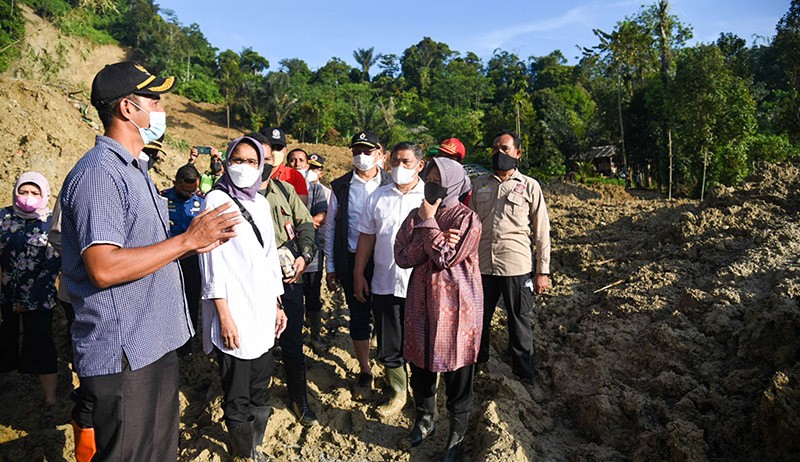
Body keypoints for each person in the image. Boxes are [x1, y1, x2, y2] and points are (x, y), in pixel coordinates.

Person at [60, 61, 242, 461]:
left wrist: (193, 244)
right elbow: (104, 267)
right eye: (154, 100)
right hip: (124, 351)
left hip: (153, 342)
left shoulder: (135, 171)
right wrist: (186, 240)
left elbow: (144, 251)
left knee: (159, 452)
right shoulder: (100, 174)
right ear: (128, 108)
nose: (161, 109)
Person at [199, 136, 288, 458]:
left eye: (251, 161)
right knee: (237, 391)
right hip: (234, 310)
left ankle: (256, 442)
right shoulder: (215, 201)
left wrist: (277, 304)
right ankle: (244, 452)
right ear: (226, 162)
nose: (244, 167)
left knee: (260, 386)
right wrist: (224, 317)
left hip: (262, 310)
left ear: (261, 165)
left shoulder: (261, 204)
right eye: (237, 159)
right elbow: (211, 265)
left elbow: (269, 258)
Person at [394, 157, 483, 461]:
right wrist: (434, 236)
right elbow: (402, 256)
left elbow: (446, 258)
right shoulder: (414, 215)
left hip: (457, 310)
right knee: (420, 368)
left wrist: (429, 225)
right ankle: (424, 421)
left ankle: (456, 438)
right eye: (429, 179)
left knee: (457, 374)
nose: (431, 185)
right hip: (420, 305)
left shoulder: (467, 219)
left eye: (438, 180)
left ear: (454, 183)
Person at [469, 130, 551, 387]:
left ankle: (525, 375)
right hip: (482, 266)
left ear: (518, 153)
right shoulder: (478, 184)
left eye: (505, 148)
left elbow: (541, 231)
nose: (499, 153)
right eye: (495, 148)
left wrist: (542, 271)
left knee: (519, 321)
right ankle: (476, 367)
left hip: (516, 266)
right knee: (478, 320)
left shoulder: (529, 186)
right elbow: (470, 226)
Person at [249, 132, 320, 426]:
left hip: (288, 279)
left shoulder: (285, 190)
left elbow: (305, 223)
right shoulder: (231, 194)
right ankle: (254, 403)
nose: (267, 162)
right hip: (252, 283)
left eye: (272, 155)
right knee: (257, 345)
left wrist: (304, 255)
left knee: (292, 342)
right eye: (260, 158)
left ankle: (299, 398)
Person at [353, 142, 425, 417]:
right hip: (385, 282)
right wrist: (359, 273)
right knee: (389, 345)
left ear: (420, 165)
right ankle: (398, 393)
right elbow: (366, 237)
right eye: (395, 161)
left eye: (406, 162)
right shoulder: (378, 196)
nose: (399, 167)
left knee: (422, 344)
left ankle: (425, 395)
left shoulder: (429, 198)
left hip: (420, 287)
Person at [325, 130, 392, 399]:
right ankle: (365, 370)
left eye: (367, 151)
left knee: (388, 317)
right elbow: (331, 228)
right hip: (352, 260)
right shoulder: (340, 187)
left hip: (386, 260)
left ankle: (391, 368)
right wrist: (331, 267)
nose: (361, 156)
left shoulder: (392, 184)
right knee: (359, 315)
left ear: (380, 154)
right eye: (356, 151)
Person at [0, 172, 62, 428]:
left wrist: (29, 299)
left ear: (44, 195)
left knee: (40, 345)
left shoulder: (50, 223)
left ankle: (50, 400)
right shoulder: (3, 218)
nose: (28, 197)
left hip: (39, 297)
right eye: (23, 192)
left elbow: (54, 264)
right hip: (6, 295)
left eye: (35, 193)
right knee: (4, 342)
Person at [288, 149, 330, 351]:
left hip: (311, 252)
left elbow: (321, 216)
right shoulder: (280, 188)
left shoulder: (316, 190)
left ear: (306, 165)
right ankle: (290, 337)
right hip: (287, 254)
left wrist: (300, 226)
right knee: (289, 297)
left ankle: (315, 335)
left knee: (312, 295)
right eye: (292, 160)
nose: (297, 163)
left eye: (301, 160)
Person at [161, 163, 205, 353]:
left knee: (190, 300)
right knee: (167, 301)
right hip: (166, 258)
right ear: (175, 183)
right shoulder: (162, 198)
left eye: (192, 191)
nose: (189, 195)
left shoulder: (202, 202)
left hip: (192, 260)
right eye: (185, 191)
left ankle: (187, 343)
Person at [260, 127, 308, 204]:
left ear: (285, 150)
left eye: (279, 148)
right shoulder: (252, 172)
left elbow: (300, 206)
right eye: (271, 147)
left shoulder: (295, 176)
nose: (274, 152)